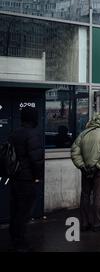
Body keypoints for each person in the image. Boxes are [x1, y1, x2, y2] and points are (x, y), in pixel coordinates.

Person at [71, 113, 100, 232]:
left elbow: (74, 151)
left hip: (85, 170)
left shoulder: (83, 134)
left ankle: (84, 223)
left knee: (85, 195)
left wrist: (82, 166)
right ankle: (97, 223)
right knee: (98, 196)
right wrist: (98, 166)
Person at [8, 107, 44, 251]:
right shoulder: (32, 134)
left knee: (15, 209)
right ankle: (20, 241)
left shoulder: (14, 133)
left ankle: (14, 235)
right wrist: (37, 177)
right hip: (27, 179)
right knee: (24, 211)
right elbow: (36, 159)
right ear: (33, 118)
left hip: (15, 177)